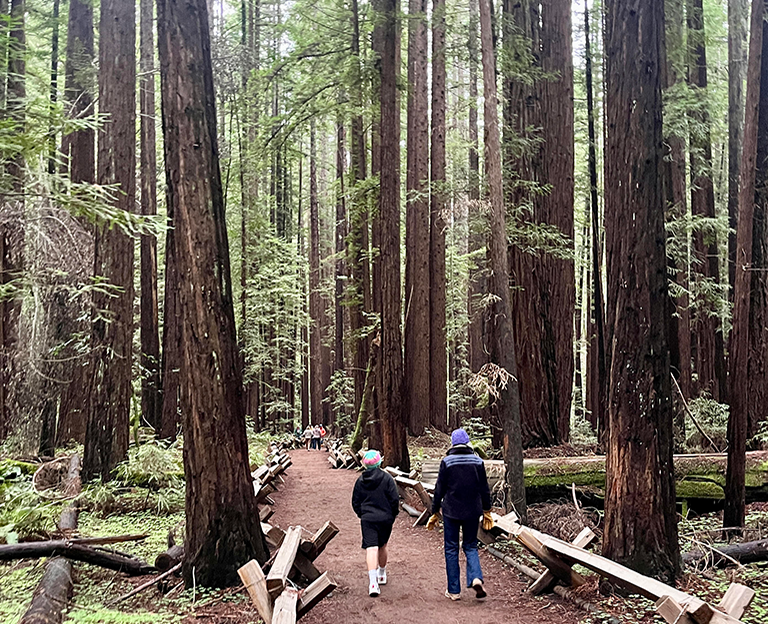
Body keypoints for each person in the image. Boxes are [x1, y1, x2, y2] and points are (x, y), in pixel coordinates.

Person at [427, 428, 494, 601]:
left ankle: (454, 591)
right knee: (471, 545)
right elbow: (484, 489)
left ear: (452, 443)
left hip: (451, 511)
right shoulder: (478, 462)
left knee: (451, 548)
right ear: (467, 443)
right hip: (473, 511)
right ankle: (476, 578)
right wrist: (487, 510)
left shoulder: (447, 462)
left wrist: (434, 510)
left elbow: (439, 489)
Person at [351, 449, 399, 597]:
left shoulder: (360, 481)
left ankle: (373, 583)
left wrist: (362, 514)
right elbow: (394, 499)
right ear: (379, 462)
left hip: (368, 519)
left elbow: (355, 502)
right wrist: (393, 514)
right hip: (385, 518)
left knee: (371, 548)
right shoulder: (387, 478)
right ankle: (382, 573)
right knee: (382, 545)